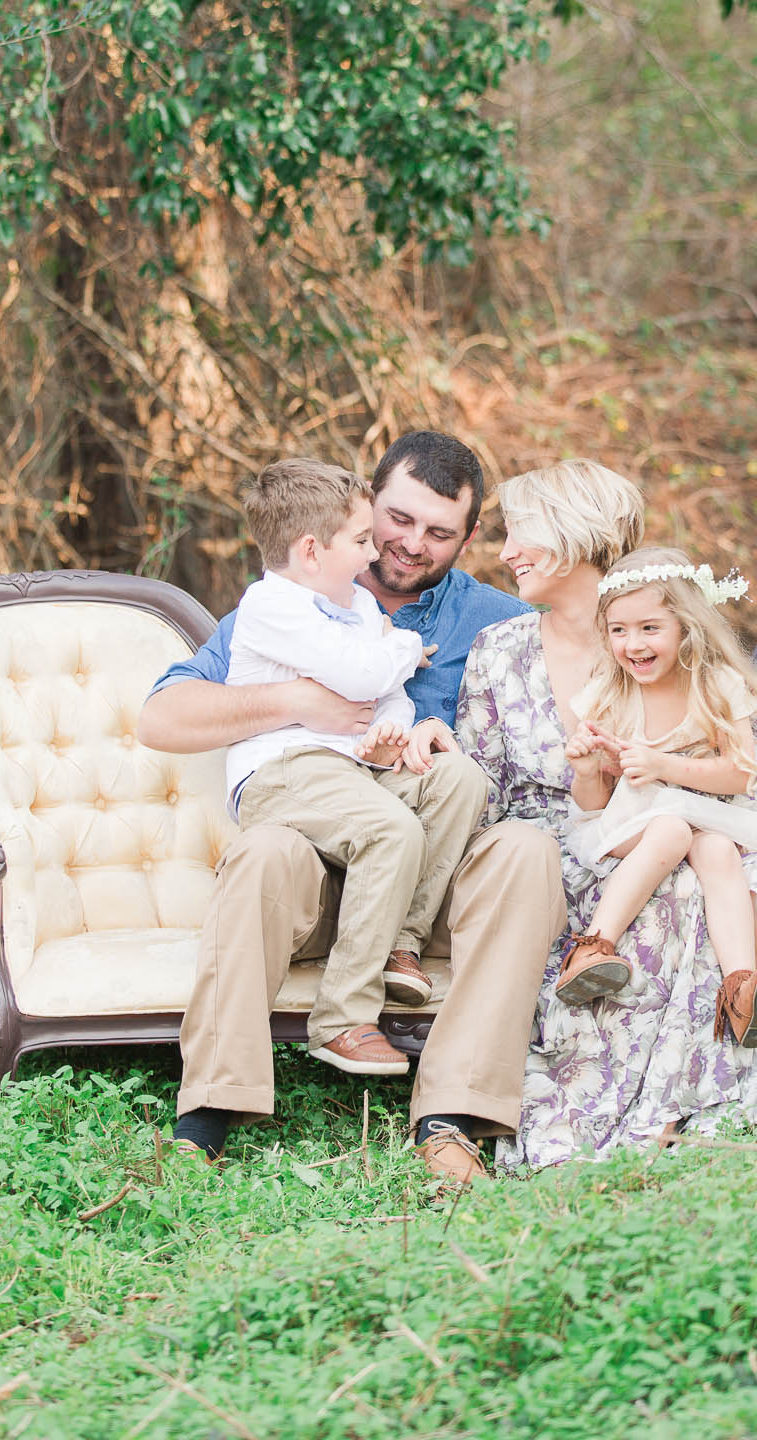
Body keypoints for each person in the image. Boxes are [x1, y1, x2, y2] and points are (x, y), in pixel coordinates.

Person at [138, 430, 564, 1185]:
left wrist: (449, 739)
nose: (406, 545)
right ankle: (207, 1114)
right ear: (365, 510)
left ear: (469, 537)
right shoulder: (293, 604)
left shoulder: (502, 622)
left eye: (438, 533)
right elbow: (163, 719)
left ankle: (451, 1117)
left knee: (526, 851)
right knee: (265, 849)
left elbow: (550, 741)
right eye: (395, 521)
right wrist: (293, 700)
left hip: (434, 874)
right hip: (319, 874)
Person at [456, 463, 757, 1170]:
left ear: (575, 530)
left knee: (701, 869)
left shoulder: (678, 644)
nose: (504, 552)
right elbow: (481, 790)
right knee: (660, 868)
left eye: (517, 532)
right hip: (556, 844)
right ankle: (590, 1095)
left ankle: (691, 1094)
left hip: (685, 825)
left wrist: (680, 786)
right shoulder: (500, 650)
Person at [222, 458, 485, 1078]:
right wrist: (404, 647)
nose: (376, 554)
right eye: (365, 538)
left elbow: (382, 695)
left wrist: (396, 730)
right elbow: (364, 672)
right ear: (313, 549)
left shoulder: (357, 608)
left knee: (459, 780)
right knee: (391, 829)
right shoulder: (270, 605)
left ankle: (403, 945)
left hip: (349, 767)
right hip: (283, 769)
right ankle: (342, 1019)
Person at [555, 547, 757, 1055]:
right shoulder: (608, 692)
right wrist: (587, 768)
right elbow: (596, 799)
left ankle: (742, 987)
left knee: (716, 850)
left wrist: (665, 767)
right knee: (670, 828)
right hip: (622, 823)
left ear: (686, 627)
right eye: (619, 630)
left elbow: (741, 772)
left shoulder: (717, 686)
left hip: (706, 817)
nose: (633, 644)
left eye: (650, 628)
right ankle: (590, 951)